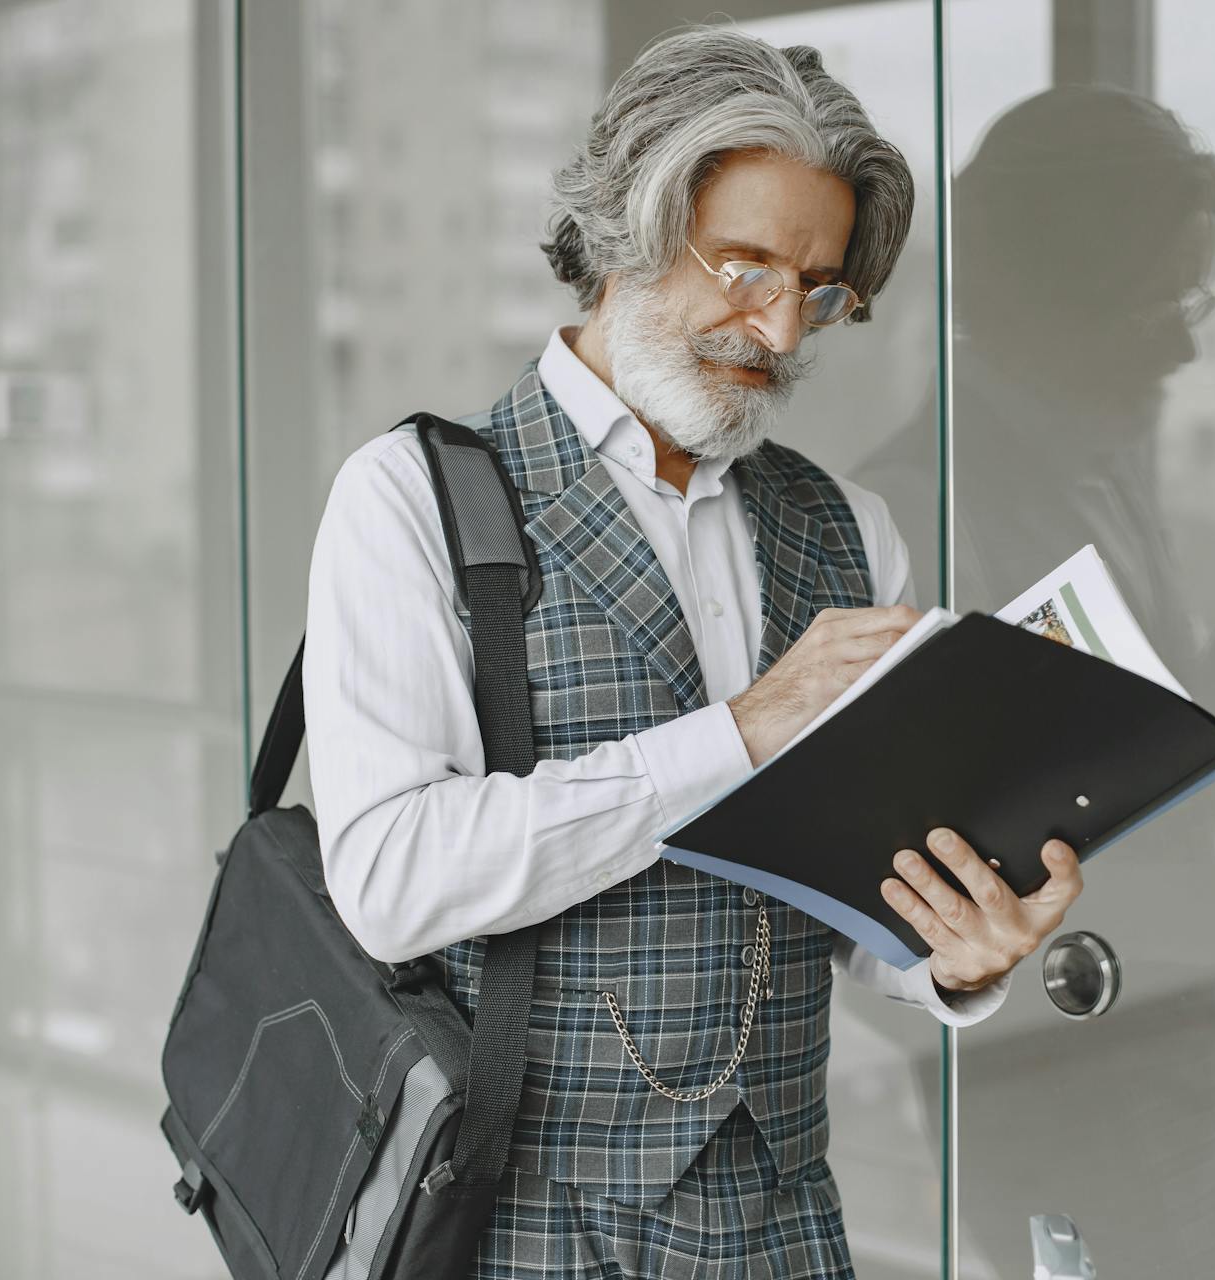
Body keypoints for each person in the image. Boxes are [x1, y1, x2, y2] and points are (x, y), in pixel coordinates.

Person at [302, 24, 1085, 1277]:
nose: (779, 326)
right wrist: (740, 733)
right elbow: (394, 878)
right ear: (628, 226)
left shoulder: (849, 529)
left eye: (819, 286)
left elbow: (856, 908)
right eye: (746, 264)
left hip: (782, 1220)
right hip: (516, 1222)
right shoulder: (413, 498)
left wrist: (957, 953)